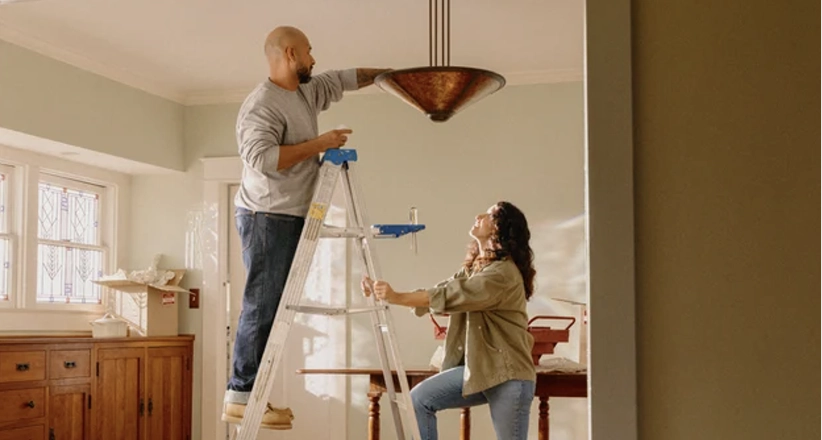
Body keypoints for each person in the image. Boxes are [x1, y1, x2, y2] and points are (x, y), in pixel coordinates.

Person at [223, 25, 392, 430]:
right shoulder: (260, 105)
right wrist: (321, 144)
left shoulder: (304, 91)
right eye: (310, 52)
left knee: (275, 304)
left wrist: (389, 76)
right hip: (266, 215)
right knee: (262, 305)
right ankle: (240, 396)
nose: (315, 59)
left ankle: (252, 396)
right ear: (291, 53)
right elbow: (262, 159)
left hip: (291, 213)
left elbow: (343, 79)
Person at [363, 201, 538, 440]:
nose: (478, 215)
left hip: (508, 374)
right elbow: (441, 291)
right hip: (480, 368)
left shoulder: (502, 274)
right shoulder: (475, 269)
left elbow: (451, 295)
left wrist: (395, 296)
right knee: (419, 399)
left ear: (500, 229)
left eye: (489, 215)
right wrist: (385, 293)